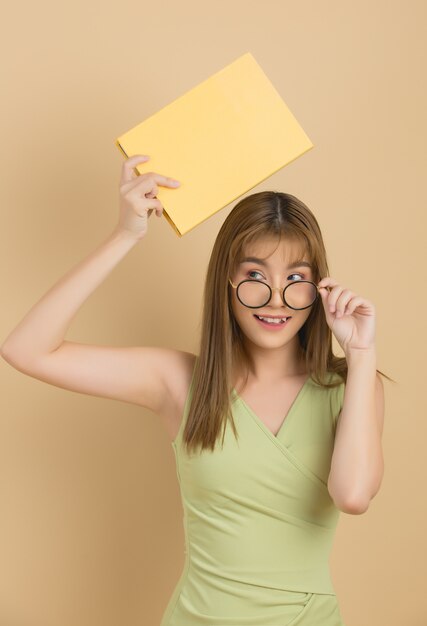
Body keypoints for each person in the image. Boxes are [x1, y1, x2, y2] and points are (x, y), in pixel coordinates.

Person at [1, 154, 389, 626]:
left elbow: (353, 495)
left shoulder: (350, 387)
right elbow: (26, 350)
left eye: (295, 279)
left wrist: (364, 354)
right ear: (225, 283)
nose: (274, 299)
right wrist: (126, 233)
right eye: (253, 276)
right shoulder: (181, 382)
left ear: (319, 289)